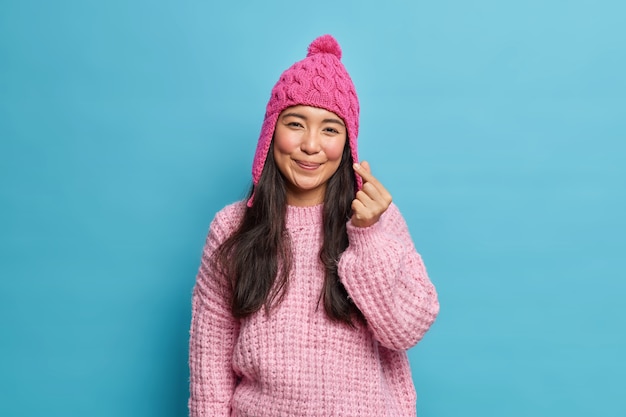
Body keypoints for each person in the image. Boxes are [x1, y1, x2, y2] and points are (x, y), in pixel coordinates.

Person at [188, 34, 439, 417]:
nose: (310, 145)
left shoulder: (377, 217)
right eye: (296, 123)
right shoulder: (231, 227)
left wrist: (367, 235)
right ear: (271, 132)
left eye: (329, 129)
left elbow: (405, 330)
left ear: (348, 143)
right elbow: (211, 361)